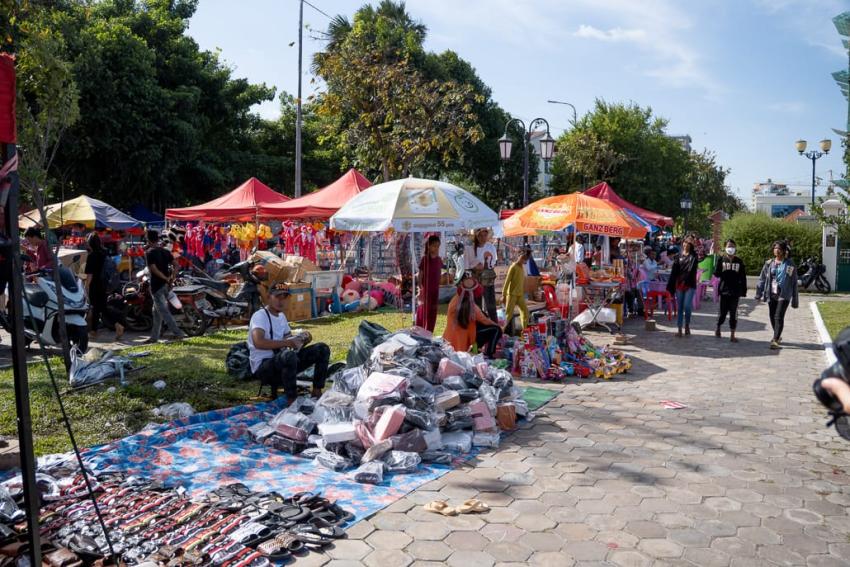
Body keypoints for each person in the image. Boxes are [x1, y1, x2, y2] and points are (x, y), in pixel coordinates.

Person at [248, 282, 330, 400]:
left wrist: (302, 339)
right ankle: (291, 400)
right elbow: (258, 342)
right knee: (288, 355)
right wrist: (288, 343)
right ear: (268, 297)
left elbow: (289, 341)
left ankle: (317, 391)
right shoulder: (260, 316)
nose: (281, 301)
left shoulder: (281, 317)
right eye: (277, 297)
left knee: (322, 348)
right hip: (264, 367)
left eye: (284, 297)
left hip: (284, 360)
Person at [443, 271, 502, 356]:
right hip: (465, 338)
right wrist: (498, 325)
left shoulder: (454, 301)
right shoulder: (472, 307)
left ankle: (478, 350)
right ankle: (489, 355)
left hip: (449, 338)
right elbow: (484, 320)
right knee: (496, 330)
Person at [144, 229, 186, 344]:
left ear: (148, 239)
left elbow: (153, 269)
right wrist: (171, 278)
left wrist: (166, 278)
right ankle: (154, 337)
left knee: (163, 312)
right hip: (166, 285)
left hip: (157, 286)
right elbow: (177, 265)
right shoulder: (165, 251)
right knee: (156, 312)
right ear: (158, 239)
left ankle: (178, 333)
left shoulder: (149, 252)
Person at [756, 240, 799, 349]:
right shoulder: (769, 263)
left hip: (784, 294)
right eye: (775, 248)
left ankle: (775, 340)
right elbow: (762, 279)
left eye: (779, 248)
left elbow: (794, 281)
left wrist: (795, 298)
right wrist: (758, 293)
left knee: (778, 316)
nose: (777, 250)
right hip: (771, 293)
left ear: (784, 250)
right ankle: (777, 335)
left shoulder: (789, 264)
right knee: (772, 315)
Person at [84, 233, 123, 339]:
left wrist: (86, 286)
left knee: (100, 308)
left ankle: (117, 325)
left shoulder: (92, 256)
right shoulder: (104, 253)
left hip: (95, 285)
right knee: (98, 308)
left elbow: (90, 274)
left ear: (90, 243)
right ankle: (94, 331)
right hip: (105, 284)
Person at [713, 238, 747, 342]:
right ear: (725, 248)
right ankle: (718, 327)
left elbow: (743, 277)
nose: (730, 248)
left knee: (733, 313)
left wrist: (743, 291)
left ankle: (732, 334)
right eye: (728, 246)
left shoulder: (739, 261)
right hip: (724, 290)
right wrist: (718, 262)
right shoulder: (721, 259)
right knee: (722, 313)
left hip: (735, 291)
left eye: (732, 246)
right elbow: (716, 273)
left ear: (735, 248)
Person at [666, 239, 699, 337]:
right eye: (685, 242)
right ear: (682, 243)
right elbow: (674, 272)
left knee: (687, 306)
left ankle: (687, 324)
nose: (686, 244)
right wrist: (670, 285)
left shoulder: (694, 257)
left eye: (688, 243)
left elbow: (693, 269)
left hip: (689, 284)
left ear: (691, 245)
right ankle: (680, 329)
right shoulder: (677, 256)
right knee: (680, 307)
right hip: (679, 285)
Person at [466, 228, 498, 322]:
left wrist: (485, 266)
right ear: (476, 236)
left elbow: (493, 262)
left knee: (491, 305)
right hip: (476, 279)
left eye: (485, 235)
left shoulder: (491, 247)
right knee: (477, 305)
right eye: (480, 235)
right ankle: (479, 326)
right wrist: (475, 268)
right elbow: (467, 266)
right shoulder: (470, 249)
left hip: (487, 278)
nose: (483, 238)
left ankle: (494, 325)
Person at [416, 234, 443, 333]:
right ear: (429, 246)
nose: (436, 248)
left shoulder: (439, 260)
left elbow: (439, 274)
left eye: (438, 246)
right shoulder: (425, 259)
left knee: (433, 312)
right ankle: (419, 331)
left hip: (435, 290)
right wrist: (420, 287)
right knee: (423, 312)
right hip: (426, 290)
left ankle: (429, 332)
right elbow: (420, 275)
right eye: (434, 246)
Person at [502, 246, 530, 333]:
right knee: (508, 315)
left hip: (520, 295)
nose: (523, 261)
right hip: (512, 295)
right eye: (522, 258)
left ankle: (524, 330)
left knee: (525, 312)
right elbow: (507, 281)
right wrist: (503, 295)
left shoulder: (522, 267)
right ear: (519, 256)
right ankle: (500, 332)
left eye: (525, 259)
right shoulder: (513, 267)